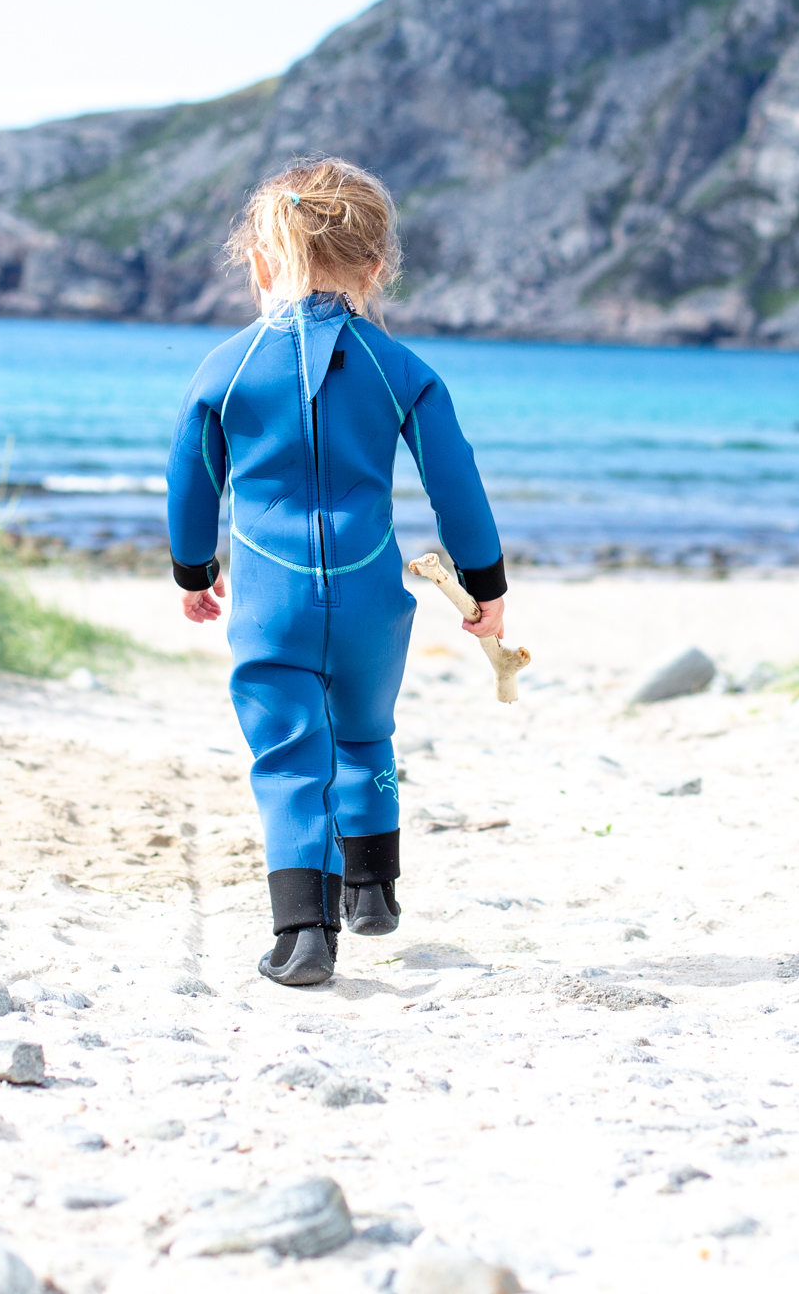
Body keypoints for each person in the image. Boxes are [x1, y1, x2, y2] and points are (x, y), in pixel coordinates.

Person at [164, 158, 509, 988]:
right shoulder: (402, 369)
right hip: (369, 598)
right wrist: (485, 585)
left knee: (290, 755)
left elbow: (191, 478)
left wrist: (193, 571)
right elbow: (455, 480)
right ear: (376, 268)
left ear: (261, 264)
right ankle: (374, 890)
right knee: (364, 732)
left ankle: (303, 935)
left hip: (271, 604)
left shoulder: (226, 368)